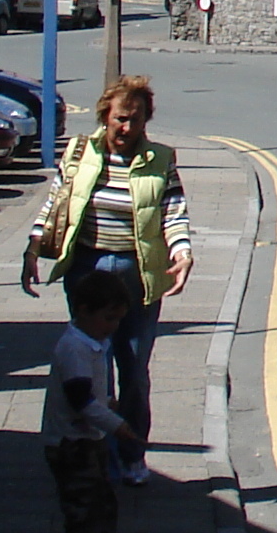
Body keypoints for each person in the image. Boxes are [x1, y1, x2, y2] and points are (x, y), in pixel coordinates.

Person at [20, 75, 193, 485]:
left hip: (136, 275)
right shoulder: (81, 153)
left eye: (135, 120)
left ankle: (132, 454)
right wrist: (33, 247)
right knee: (90, 368)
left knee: (133, 370)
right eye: (119, 119)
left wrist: (182, 252)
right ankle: (92, 452)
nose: (126, 129)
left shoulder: (160, 160)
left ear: (146, 120)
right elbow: (56, 202)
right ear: (105, 116)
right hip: (86, 271)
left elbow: (174, 211)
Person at [43, 270, 143, 533]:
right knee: (83, 507)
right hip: (72, 443)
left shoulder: (90, 342)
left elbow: (90, 394)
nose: (113, 327)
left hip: (88, 438)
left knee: (101, 502)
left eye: (117, 320)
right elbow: (81, 401)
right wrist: (118, 426)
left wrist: (107, 404)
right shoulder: (74, 348)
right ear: (83, 310)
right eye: (108, 319)